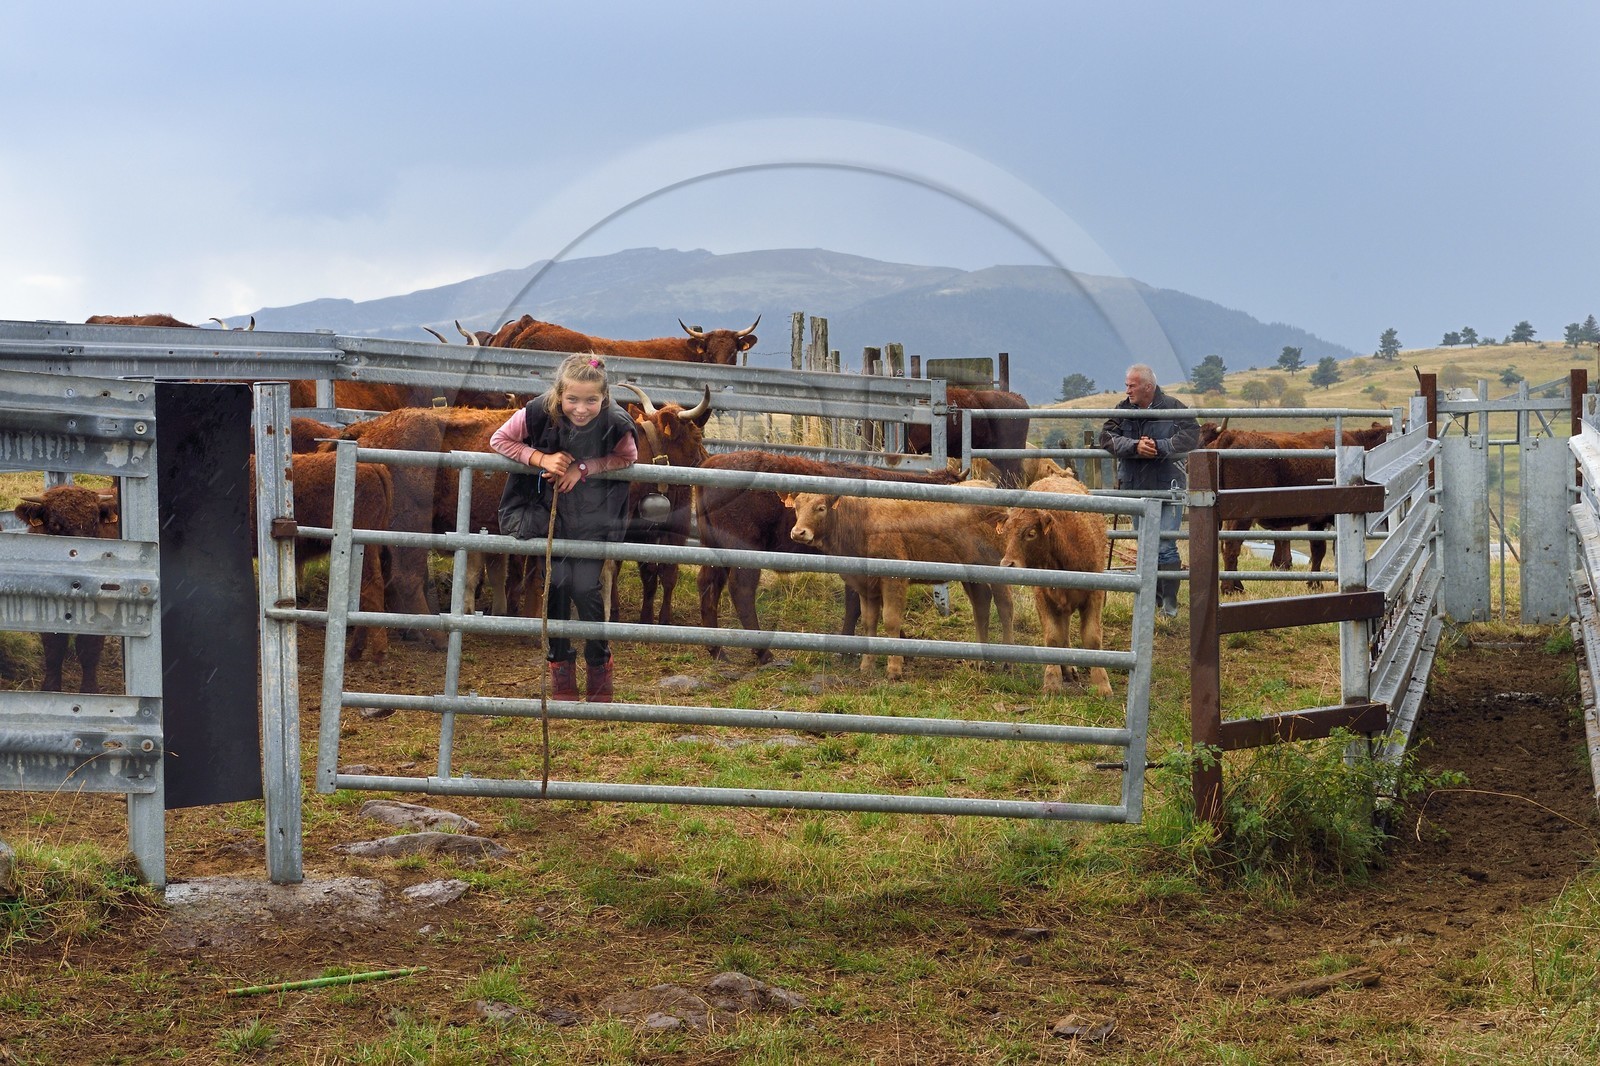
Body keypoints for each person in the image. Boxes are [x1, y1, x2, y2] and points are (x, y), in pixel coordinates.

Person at [493, 354, 638, 702]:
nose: (582, 408)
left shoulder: (616, 421)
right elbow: (499, 440)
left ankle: (599, 667)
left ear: (604, 398)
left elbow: (627, 457)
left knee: (587, 589)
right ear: (558, 395)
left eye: (591, 400)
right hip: (547, 512)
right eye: (572, 399)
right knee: (555, 585)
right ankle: (560, 670)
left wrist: (585, 467)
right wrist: (541, 459)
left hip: (594, 514)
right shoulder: (537, 412)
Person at [1098, 363, 1199, 617]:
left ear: (1148, 386)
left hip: (1169, 486)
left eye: (1132, 385)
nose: (1127, 389)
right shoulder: (1122, 410)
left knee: (1165, 544)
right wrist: (1134, 446)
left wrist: (1159, 446)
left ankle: (1169, 606)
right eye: (1127, 385)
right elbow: (1107, 438)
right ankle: (1150, 602)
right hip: (1136, 487)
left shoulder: (1174, 408)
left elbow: (1192, 435)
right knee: (1145, 544)